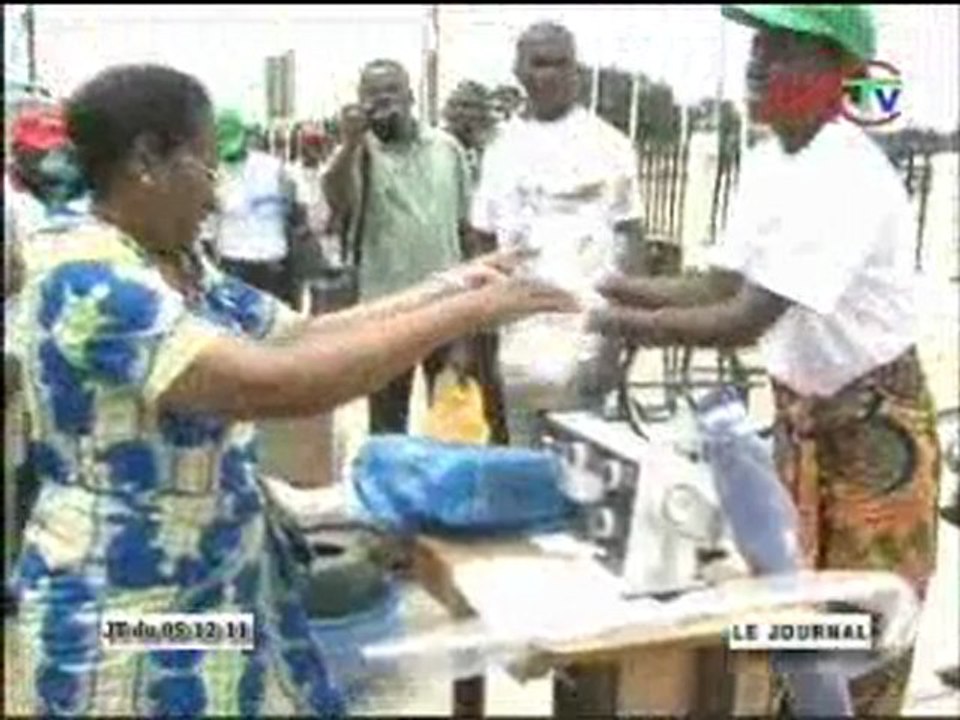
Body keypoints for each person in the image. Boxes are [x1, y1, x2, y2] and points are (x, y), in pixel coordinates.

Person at [3, 63, 575, 717]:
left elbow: (300, 335)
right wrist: (472, 314)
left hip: (213, 581)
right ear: (146, 162)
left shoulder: (174, 262)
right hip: (125, 610)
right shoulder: (88, 279)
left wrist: (456, 284)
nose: (217, 197)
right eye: (207, 170)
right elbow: (281, 384)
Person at [587, 6, 939, 715]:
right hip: (800, 421)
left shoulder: (846, 174)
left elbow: (747, 316)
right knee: (791, 625)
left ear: (838, 74)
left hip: (871, 433)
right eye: (756, 46)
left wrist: (609, 322)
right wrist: (598, 284)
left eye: (782, 49)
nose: (756, 62)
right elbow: (719, 283)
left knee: (858, 640)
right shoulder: (771, 159)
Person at [469, 22, 646, 446]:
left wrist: (617, 338)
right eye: (540, 64)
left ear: (577, 71)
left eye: (561, 64)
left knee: (583, 481)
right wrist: (483, 343)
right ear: (519, 72)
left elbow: (631, 241)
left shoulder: (611, 145)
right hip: (518, 351)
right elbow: (481, 244)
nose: (550, 75)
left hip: (586, 344)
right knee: (524, 477)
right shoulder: (500, 150)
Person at [322, 59, 474, 435]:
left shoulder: (447, 149)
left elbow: (466, 230)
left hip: (445, 309)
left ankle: (441, 493)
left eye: (391, 91)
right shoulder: (357, 154)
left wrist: (471, 315)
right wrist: (350, 142)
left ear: (410, 96)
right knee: (387, 425)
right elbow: (337, 199)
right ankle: (391, 491)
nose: (382, 101)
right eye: (371, 94)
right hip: (386, 313)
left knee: (450, 422)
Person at [211, 109, 307, 307]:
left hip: (273, 260)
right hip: (234, 261)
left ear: (246, 136)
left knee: (280, 327)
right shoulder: (212, 174)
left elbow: (297, 211)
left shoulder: (274, 167)